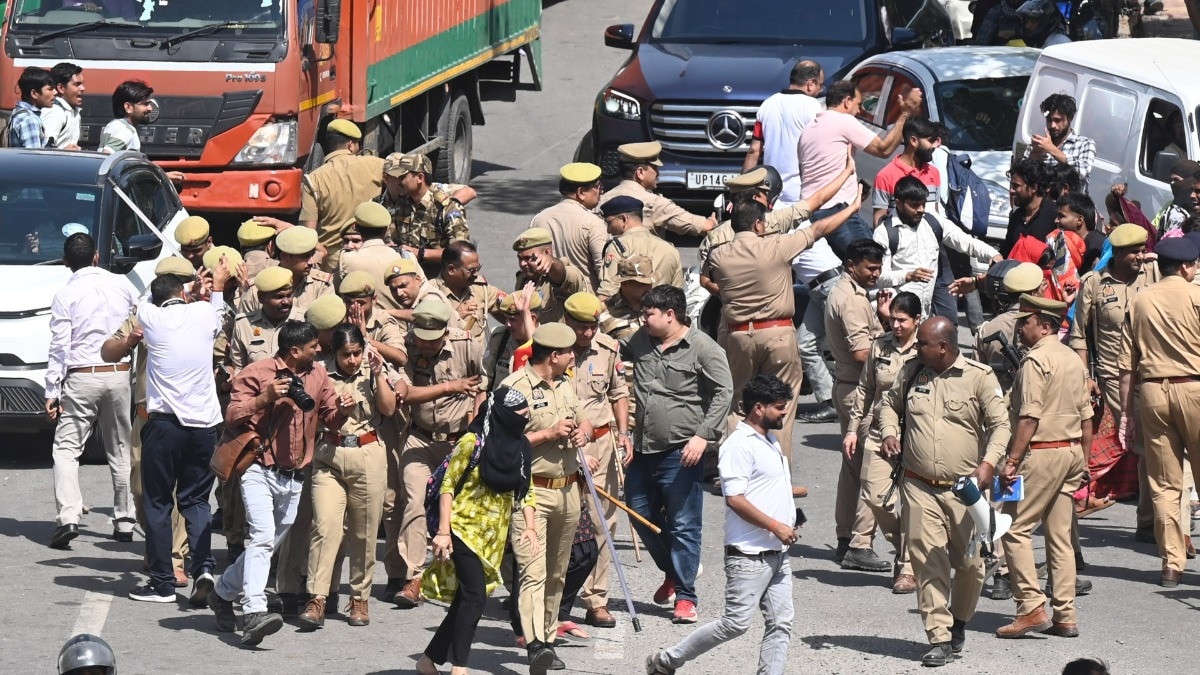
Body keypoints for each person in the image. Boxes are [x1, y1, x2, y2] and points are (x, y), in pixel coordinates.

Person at [878, 316, 1010, 667]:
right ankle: (939, 637)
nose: (915, 347)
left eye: (922, 343)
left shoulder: (979, 377)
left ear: (944, 347)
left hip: (965, 491)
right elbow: (889, 404)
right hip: (918, 484)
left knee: (971, 564)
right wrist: (890, 431)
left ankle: (959, 624)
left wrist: (988, 465)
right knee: (928, 562)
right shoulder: (911, 372)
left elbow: (1001, 426)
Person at [209, 321, 351, 646]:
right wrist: (264, 399)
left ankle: (222, 593)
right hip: (258, 467)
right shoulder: (256, 373)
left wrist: (342, 411)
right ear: (295, 350)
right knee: (259, 537)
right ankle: (254, 611)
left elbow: (329, 417)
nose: (319, 350)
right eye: (314, 346)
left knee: (267, 545)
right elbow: (231, 415)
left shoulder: (317, 374)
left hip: (294, 476)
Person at [646, 375, 798, 675]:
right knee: (735, 623)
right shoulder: (739, 445)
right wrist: (775, 525)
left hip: (777, 553)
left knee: (781, 623)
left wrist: (788, 520)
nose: (784, 413)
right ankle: (667, 660)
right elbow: (735, 499)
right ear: (758, 408)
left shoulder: (769, 440)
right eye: (779, 407)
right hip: (749, 555)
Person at [707, 194, 859, 479]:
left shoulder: (718, 254)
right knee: (783, 405)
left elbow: (708, 279)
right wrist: (851, 209)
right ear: (759, 225)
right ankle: (780, 477)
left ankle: (733, 473)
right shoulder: (777, 246)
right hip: (777, 333)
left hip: (739, 335)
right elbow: (818, 229)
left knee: (738, 403)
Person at [623, 285, 733, 624]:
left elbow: (723, 392)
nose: (643, 318)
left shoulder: (704, 348)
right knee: (638, 512)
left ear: (671, 315)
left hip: (682, 450)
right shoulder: (640, 341)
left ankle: (685, 597)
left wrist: (703, 437)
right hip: (642, 447)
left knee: (684, 523)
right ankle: (674, 569)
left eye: (649, 313)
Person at [125, 259, 232, 604]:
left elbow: (140, 299)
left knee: (158, 503)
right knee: (196, 500)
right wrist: (212, 285)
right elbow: (218, 304)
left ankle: (162, 583)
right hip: (204, 427)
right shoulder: (202, 313)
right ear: (183, 293)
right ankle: (203, 567)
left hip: (164, 426)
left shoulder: (150, 315)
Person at [415, 386, 538, 675]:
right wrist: (443, 532)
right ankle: (460, 667)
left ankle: (428, 660)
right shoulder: (472, 442)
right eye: (521, 414)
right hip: (462, 529)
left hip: (492, 539)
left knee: (464, 600)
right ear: (504, 416)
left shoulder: (521, 447)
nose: (526, 418)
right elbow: (447, 485)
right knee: (475, 597)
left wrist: (530, 527)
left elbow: (527, 491)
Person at [995, 294, 1090, 641]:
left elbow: (1029, 416)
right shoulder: (1073, 359)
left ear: (1045, 325)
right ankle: (1065, 614)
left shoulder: (1036, 362)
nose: (1020, 327)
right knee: (1060, 537)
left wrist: (1012, 461)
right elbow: (1088, 416)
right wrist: (1085, 459)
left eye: (1026, 322)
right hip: (1070, 452)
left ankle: (1030, 606)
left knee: (1013, 529)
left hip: (1042, 453)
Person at [499, 322, 591, 674]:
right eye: (569, 352)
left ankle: (548, 641)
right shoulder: (514, 389)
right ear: (554, 355)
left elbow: (582, 420)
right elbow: (503, 445)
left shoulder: (566, 382)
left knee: (556, 572)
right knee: (533, 571)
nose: (574, 356)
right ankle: (534, 642)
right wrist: (548, 433)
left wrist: (581, 433)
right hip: (531, 492)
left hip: (568, 489)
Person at [102, 257, 197, 588]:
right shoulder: (142, 316)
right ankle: (157, 545)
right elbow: (107, 351)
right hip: (147, 420)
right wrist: (129, 341)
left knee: (177, 492)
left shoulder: (199, 317)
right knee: (143, 491)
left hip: (186, 418)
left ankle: (173, 558)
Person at [298, 324, 397, 629]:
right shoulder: (319, 372)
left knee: (364, 532)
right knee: (325, 527)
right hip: (329, 455)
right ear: (334, 353)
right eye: (345, 355)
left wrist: (379, 374)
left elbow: (389, 408)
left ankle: (359, 598)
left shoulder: (374, 367)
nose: (352, 360)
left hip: (367, 453)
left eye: (356, 353)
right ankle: (317, 598)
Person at [1071, 224, 1165, 542]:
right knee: (1147, 445)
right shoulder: (1094, 283)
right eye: (1135, 251)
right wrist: (1086, 376)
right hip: (1114, 377)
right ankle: (1151, 521)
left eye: (1143, 250)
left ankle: (1150, 520)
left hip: (1153, 370)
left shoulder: (1152, 274)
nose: (1141, 256)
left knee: (1150, 445)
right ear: (1120, 253)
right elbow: (1079, 335)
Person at [46, 233, 138, 550]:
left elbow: (60, 346)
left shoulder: (65, 294)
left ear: (66, 262)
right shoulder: (123, 285)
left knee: (67, 450)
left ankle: (69, 517)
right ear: (97, 256)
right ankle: (125, 520)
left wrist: (51, 390)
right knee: (120, 448)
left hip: (82, 376)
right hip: (119, 374)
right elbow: (139, 322)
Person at [1118, 236, 1200, 588]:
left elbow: (1126, 366)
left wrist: (1126, 414)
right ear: (1184, 267)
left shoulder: (1140, 300)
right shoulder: (1196, 295)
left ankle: (1171, 564)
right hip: (1195, 387)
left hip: (1152, 392)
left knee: (1163, 484)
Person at [390, 299, 481, 608]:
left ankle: (456, 577)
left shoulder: (467, 344)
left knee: (458, 510)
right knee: (414, 503)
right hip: (420, 439)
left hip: (458, 442)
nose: (425, 347)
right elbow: (404, 392)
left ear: (445, 332)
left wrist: (476, 416)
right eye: (420, 340)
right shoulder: (406, 346)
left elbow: (486, 383)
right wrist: (451, 387)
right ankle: (413, 577)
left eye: (433, 341)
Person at [842, 291, 922, 594]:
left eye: (902, 320)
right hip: (877, 433)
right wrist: (852, 429)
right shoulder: (880, 345)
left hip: (913, 434)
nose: (896, 325)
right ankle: (909, 547)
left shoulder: (925, 348)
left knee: (913, 503)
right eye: (892, 319)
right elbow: (865, 389)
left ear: (917, 320)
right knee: (876, 498)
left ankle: (908, 568)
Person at [560, 292, 630, 629]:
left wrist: (623, 433)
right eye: (581, 326)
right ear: (567, 321)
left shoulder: (608, 348)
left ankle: (596, 599)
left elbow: (618, 393)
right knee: (561, 521)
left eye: (593, 326)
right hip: (559, 447)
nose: (588, 333)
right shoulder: (550, 348)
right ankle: (550, 595)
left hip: (601, 444)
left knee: (602, 522)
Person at [797, 78, 923, 258]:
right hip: (836, 211)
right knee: (869, 261)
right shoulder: (843, 121)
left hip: (813, 210)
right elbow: (883, 149)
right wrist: (905, 113)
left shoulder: (809, 128)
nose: (858, 111)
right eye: (858, 104)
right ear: (847, 101)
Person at [824, 239, 888, 570]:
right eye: (871, 268)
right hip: (858, 391)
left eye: (878, 268)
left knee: (853, 468)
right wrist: (891, 345)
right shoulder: (849, 299)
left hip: (849, 387)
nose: (876, 274)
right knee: (872, 469)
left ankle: (845, 538)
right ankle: (860, 544)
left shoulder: (851, 293)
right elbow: (862, 353)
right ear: (852, 266)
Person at [873, 176, 1001, 319]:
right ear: (899, 203)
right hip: (898, 316)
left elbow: (966, 242)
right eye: (914, 205)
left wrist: (993, 255)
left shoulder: (933, 222)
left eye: (923, 204)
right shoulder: (884, 233)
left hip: (923, 315)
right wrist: (907, 276)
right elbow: (878, 277)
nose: (921, 210)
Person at [299, 119, 386, 272]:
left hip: (333, 261)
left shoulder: (314, 179)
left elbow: (309, 233)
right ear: (350, 145)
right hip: (370, 253)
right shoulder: (377, 165)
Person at [742, 60, 824, 206]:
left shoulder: (767, 104)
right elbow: (818, 150)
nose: (820, 90)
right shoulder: (813, 106)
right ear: (810, 83)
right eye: (820, 85)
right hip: (800, 194)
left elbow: (753, 151)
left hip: (769, 191)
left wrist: (742, 191)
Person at [379, 152, 471, 277]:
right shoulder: (402, 204)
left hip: (441, 279)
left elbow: (459, 253)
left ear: (420, 178)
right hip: (409, 276)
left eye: (403, 177)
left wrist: (421, 253)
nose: (398, 182)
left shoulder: (446, 207)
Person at [599, 141, 717, 237]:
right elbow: (705, 227)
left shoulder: (602, 200)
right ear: (640, 173)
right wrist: (712, 220)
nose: (658, 173)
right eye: (654, 168)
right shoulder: (655, 204)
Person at [532, 162, 609, 290]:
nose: (601, 191)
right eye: (598, 187)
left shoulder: (540, 219)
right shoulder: (593, 223)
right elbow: (604, 270)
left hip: (549, 301)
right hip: (585, 302)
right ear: (581, 192)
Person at [596, 196, 683, 301]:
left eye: (609, 223)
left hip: (626, 316)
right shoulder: (671, 249)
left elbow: (608, 292)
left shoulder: (617, 247)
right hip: (660, 315)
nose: (608, 230)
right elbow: (678, 295)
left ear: (623, 219)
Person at [240, 226, 334, 319]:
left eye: (312, 255)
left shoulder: (322, 285)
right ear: (285, 256)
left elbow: (327, 323)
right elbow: (245, 327)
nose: (311, 262)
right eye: (304, 257)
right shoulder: (257, 288)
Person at [429, 240, 507, 344]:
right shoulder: (430, 293)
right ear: (451, 269)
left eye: (477, 268)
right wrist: (456, 316)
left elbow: (510, 305)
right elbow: (428, 335)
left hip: (477, 359)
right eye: (471, 270)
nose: (476, 274)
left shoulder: (479, 288)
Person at [871, 116, 944, 225]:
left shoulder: (934, 173)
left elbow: (935, 212)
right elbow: (879, 218)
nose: (934, 146)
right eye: (930, 141)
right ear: (913, 141)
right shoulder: (885, 176)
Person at [335, 201, 405, 312]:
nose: (350, 245)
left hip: (361, 324)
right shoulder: (403, 256)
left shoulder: (346, 259)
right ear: (386, 230)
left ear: (356, 228)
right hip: (400, 324)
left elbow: (338, 292)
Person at [513, 227, 591, 324]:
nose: (523, 264)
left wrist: (552, 262)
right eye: (520, 258)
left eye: (528, 258)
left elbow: (563, 275)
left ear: (547, 252)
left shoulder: (561, 275)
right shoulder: (522, 278)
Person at [1023, 94, 1096, 192]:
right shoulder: (1038, 144)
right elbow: (1020, 177)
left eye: (1058, 120)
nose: (1053, 125)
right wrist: (1030, 160)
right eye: (1049, 120)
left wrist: (1051, 149)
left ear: (1070, 118)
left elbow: (1082, 172)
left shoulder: (1085, 144)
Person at [227, 267, 294, 373]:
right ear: (261, 298)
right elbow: (239, 368)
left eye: (289, 295)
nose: (286, 301)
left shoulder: (303, 320)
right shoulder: (244, 324)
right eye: (279, 297)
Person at [338, 270, 409, 368]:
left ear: (374, 299)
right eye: (348, 302)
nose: (353, 308)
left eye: (360, 303)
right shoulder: (338, 318)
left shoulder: (383, 322)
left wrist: (365, 339)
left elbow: (401, 359)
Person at [1002, 159, 1058, 257]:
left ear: (1033, 188)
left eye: (1016, 186)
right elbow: (1006, 252)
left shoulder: (1055, 216)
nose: (1011, 190)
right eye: (1012, 185)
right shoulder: (1016, 216)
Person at [99, 80, 153, 153]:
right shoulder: (126, 130)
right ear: (128, 107)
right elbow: (106, 154)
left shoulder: (113, 124)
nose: (150, 108)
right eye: (145, 104)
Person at [7, 66, 55, 148]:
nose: (55, 92)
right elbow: (34, 158)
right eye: (50, 89)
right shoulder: (29, 120)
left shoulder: (19, 113)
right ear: (34, 94)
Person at [41, 62, 84, 150]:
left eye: (82, 84)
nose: (83, 88)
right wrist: (64, 151)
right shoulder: (55, 112)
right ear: (61, 88)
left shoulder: (73, 112)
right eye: (77, 84)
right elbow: (44, 150)